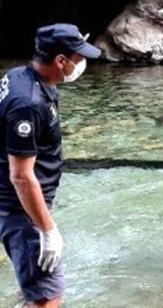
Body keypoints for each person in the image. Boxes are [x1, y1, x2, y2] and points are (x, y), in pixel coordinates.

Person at [0, 24, 101, 308]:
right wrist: (46, 230)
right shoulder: (29, 103)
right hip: (22, 210)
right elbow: (20, 176)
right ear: (60, 60)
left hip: (20, 206)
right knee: (49, 297)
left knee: (33, 286)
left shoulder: (20, 76)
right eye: (78, 57)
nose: (82, 63)